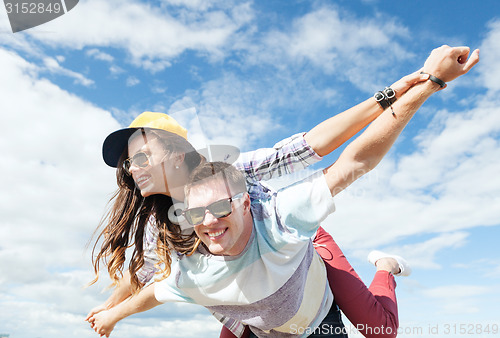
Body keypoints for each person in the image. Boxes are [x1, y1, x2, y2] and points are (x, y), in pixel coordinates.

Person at [87, 45, 479, 337]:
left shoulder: (231, 174)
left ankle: (385, 267)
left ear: (175, 154)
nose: (130, 169)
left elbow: (312, 147)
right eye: (127, 163)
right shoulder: (161, 222)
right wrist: (109, 307)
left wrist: (394, 93)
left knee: (378, 329)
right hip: (254, 308)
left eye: (139, 158)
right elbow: (149, 274)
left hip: (298, 252)